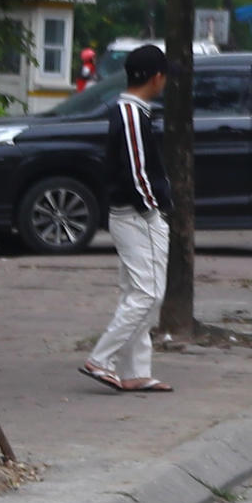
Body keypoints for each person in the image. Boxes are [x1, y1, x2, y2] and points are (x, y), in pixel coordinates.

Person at [81, 44, 175, 395]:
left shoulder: (130, 111)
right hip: (137, 215)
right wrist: (154, 206)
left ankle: (136, 371)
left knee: (137, 293)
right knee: (148, 294)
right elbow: (137, 171)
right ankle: (101, 359)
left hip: (130, 214)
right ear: (157, 78)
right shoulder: (133, 115)